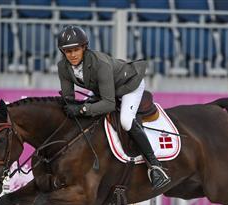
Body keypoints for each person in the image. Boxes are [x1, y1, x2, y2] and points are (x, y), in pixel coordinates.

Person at [57, 25, 171, 190]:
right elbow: (69, 99)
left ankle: (155, 166)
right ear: (63, 52)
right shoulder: (63, 67)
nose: (72, 55)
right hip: (106, 89)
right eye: (68, 51)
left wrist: (82, 109)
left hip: (128, 85)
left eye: (76, 50)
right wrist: (69, 107)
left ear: (84, 47)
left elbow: (109, 104)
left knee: (125, 121)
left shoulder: (100, 63)